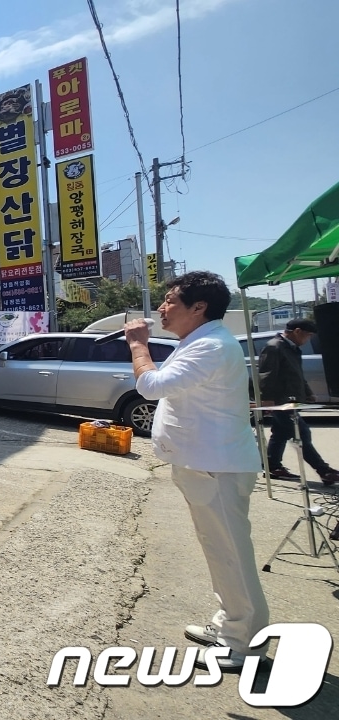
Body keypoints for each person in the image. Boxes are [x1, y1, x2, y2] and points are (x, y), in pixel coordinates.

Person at [124, 271, 268, 672]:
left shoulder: (211, 346)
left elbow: (151, 386)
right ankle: (229, 626)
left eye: (171, 299)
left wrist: (137, 345)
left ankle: (244, 643)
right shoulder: (200, 342)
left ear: (199, 307)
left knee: (230, 554)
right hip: (204, 464)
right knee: (218, 550)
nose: (163, 308)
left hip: (216, 466)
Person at [259, 318, 338, 485]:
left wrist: (308, 392)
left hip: (293, 399)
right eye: (308, 335)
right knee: (302, 433)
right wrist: (267, 399)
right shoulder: (275, 346)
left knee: (280, 433)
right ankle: (324, 470)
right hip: (281, 401)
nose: (308, 339)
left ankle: (273, 466)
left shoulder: (292, 348)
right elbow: (267, 374)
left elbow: (297, 373)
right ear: (297, 332)